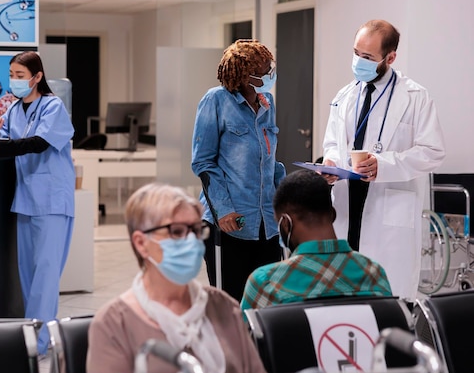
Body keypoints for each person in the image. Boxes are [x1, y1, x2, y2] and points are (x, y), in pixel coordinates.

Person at [322, 19, 445, 301]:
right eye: (356, 53)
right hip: (346, 206)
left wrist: (384, 164)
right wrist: (330, 163)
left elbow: (433, 151)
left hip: (388, 213)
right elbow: (332, 144)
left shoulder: (415, 97)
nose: (358, 62)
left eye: (367, 57)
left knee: (388, 301)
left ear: (390, 58)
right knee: (345, 296)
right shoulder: (345, 96)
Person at [86, 183, 266, 373]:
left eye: (196, 230)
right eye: (177, 232)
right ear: (141, 243)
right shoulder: (114, 325)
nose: (191, 241)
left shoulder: (222, 306)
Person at [0, 51, 75, 356]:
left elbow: (38, 143)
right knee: (28, 275)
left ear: (37, 77)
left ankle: (40, 343)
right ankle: (32, 335)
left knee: (45, 274)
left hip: (52, 200)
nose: (15, 81)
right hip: (27, 200)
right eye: (12, 76)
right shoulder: (16, 110)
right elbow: (5, 145)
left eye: (20, 76)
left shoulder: (53, 106)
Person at [191, 39, 285, 302]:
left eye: (270, 68)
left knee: (264, 303)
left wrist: (286, 199)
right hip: (230, 223)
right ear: (246, 76)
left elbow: (270, 162)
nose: (270, 74)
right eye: (265, 71)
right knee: (230, 304)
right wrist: (223, 210)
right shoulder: (216, 101)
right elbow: (204, 163)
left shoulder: (268, 103)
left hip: (267, 224)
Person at [240, 170, 392, 311]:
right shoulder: (374, 273)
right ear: (333, 215)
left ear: (285, 224)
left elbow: (243, 339)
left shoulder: (266, 282)